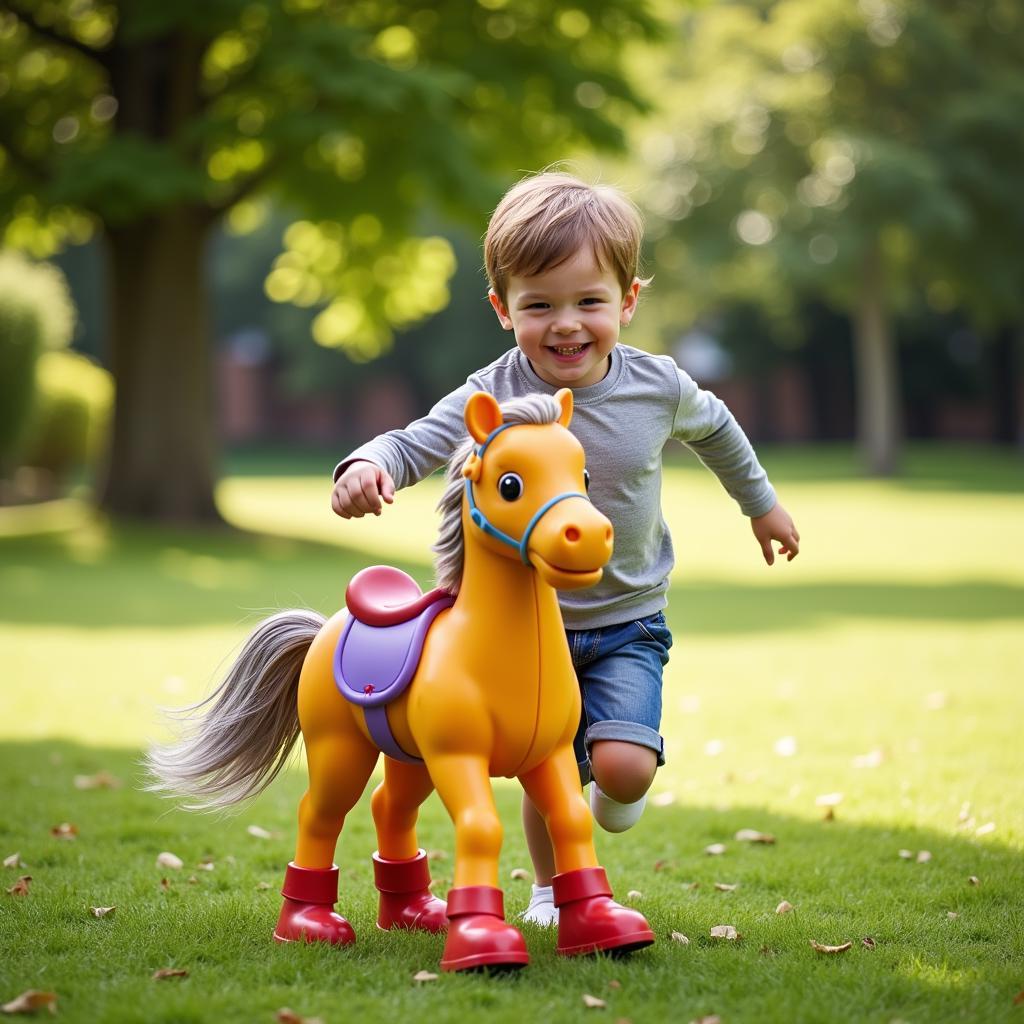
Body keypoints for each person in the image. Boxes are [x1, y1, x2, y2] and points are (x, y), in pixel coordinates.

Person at [330, 170, 800, 925]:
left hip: (625, 621)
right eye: (539, 305)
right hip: (517, 634)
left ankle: (617, 790)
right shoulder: (496, 392)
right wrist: (371, 464)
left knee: (617, 769)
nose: (565, 324)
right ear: (502, 308)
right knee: (545, 766)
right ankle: (551, 889)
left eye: (589, 301)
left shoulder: (658, 385)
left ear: (628, 301)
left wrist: (762, 505)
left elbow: (718, 430)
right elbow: (419, 441)